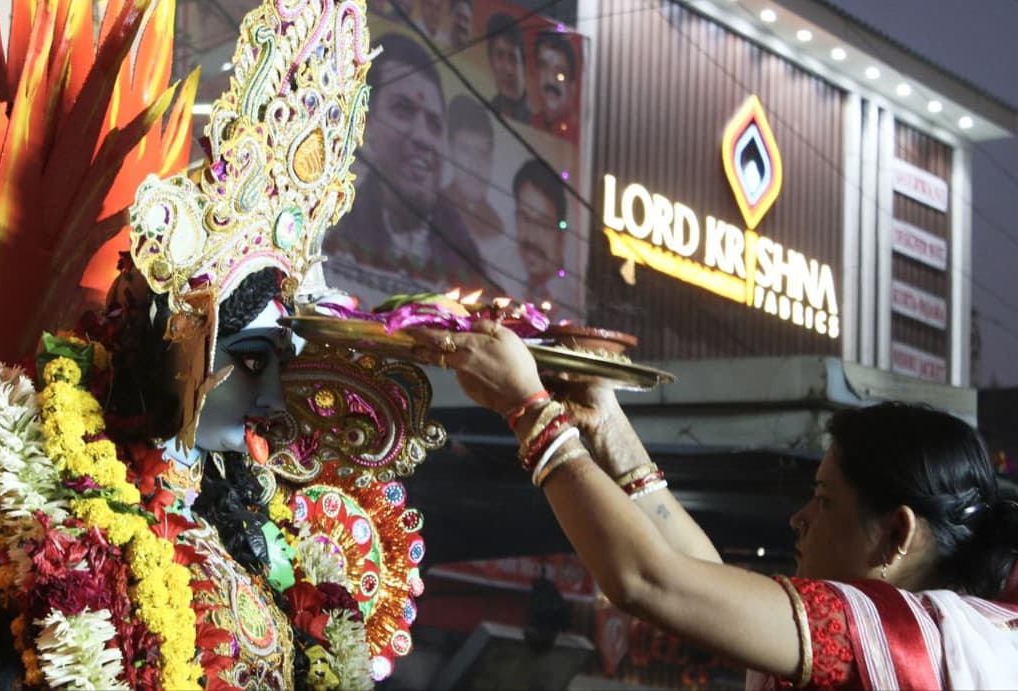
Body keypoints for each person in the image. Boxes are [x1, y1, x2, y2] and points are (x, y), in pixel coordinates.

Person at [0, 3, 434, 688]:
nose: (268, 397)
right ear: (183, 337)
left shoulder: (265, 542)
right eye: (254, 359)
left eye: (277, 367)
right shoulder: (47, 493)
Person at [407, 320, 1018, 689]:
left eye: (825, 502)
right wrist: (609, 430)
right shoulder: (963, 635)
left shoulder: (904, 635)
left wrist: (529, 411)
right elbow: (708, 583)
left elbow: (651, 583)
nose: (798, 519)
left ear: (895, 535)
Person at [325, 33, 484, 292]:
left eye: (434, 124)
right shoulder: (334, 232)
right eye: (403, 110)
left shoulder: (465, 254)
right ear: (366, 126)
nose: (423, 138)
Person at [442, 95, 523, 296]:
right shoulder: (432, 215)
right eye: (466, 151)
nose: (475, 166)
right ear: (450, 150)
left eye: (483, 154)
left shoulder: (500, 230)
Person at [512, 159, 574, 309]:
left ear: (561, 236)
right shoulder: (504, 287)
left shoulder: (573, 307)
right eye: (525, 218)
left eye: (543, 224)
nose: (531, 237)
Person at [530, 31, 580, 142]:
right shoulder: (529, 124)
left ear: (572, 88)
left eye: (560, 73)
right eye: (544, 67)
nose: (550, 80)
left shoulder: (578, 137)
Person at [485, 13, 532, 124]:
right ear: (491, 62)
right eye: (500, 56)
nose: (508, 69)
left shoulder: (535, 124)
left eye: (513, 58)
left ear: (523, 66)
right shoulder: (484, 116)